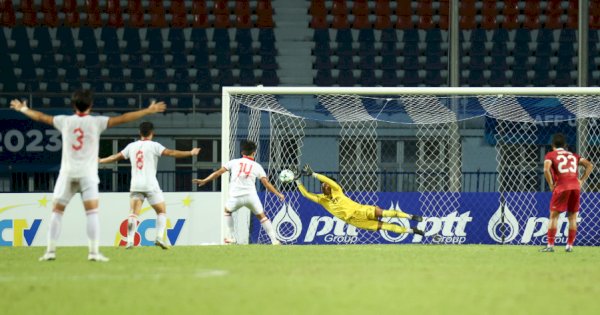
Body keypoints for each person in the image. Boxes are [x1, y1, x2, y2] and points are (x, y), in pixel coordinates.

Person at [10, 90, 166, 262]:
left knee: (57, 211)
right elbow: (123, 118)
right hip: (88, 174)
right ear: (91, 105)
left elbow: (41, 117)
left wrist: (23, 109)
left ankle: (50, 251)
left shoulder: (65, 121)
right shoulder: (96, 122)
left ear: (73, 105)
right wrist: (147, 110)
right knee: (92, 213)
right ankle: (93, 252)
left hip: (68, 173)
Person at [98, 122, 201, 249]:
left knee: (133, 213)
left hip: (136, 185)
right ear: (152, 133)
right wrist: (190, 153)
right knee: (161, 211)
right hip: (151, 184)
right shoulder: (154, 146)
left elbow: (116, 157)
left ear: (139, 133)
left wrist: (101, 160)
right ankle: (159, 237)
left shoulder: (132, 146)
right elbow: (172, 153)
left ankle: (130, 241)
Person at [192, 140, 284, 245]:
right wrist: (279, 194)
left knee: (227, 211)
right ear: (254, 153)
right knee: (262, 217)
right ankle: (274, 240)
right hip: (251, 197)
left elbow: (217, 173)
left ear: (242, 152)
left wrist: (204, 180)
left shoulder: (233, 162)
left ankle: (231, 237)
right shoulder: (257, 166)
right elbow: (266, 184)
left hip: (236, 197)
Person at [295, 165, 425, 237]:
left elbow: (329, 181)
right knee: (387, 227)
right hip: (355, 221)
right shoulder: (321, 199)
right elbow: (306, 194)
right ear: (322, 187)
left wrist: (313, 174)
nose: (325, 185)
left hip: (361, 209)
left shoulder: (337, 189)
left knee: (386, 213)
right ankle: (413, 231)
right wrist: (297, 180)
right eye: (323, 185)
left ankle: (410, 216)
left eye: (327, 184)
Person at [540, 133, 593, 252]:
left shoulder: (551, 155)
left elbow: (546, 169)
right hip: (575, 187)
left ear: (553, 145)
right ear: (565, 146)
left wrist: (550, 184)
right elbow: (589, 165)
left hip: (562, 186)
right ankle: (569, 246)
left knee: (554, 217)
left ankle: (550, 246)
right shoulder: (574, 155)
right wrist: (581, 181)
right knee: (573, 218)